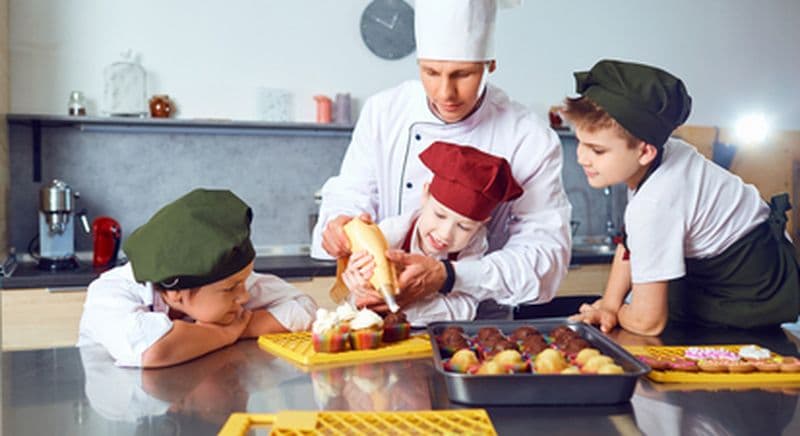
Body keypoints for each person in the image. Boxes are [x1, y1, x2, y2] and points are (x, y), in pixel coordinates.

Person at [312, 0, 571, 318]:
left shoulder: (529, 137)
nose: (445, 92)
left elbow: (546, 259)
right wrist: (341, 228)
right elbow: (352, 195)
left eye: (463, 74)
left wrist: (450, 276)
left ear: (489, 64)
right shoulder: (384, 112)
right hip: (382, 318)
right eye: (431, 72)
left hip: (479, 325)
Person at [565, 60, 800, 336]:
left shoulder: (655, 202)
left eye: (597, 150)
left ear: (645, 152)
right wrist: (609, 303)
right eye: (580, 142)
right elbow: (632, 244)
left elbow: (648, 322)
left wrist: (617, 313)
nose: (581, 158)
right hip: (750, 265)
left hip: (750, 294)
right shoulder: (666, 152)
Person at [78, 189, 317, 367]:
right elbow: (153, 351)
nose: (244, 296)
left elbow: (305, 308)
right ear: (176, 292)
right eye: (231, 288)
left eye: (243, 282)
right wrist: (225, 334)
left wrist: (242, 327)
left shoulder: (226, 281)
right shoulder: (110, 292)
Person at [342, 141, 523, 324]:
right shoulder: (391, 233)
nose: (445, 234)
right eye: (439, 215)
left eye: (464, 227)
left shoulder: (474, 243)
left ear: (481, 224)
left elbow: (464, 308)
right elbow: (355, 303)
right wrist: (360, 286)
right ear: (425, 195)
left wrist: (402, 307)